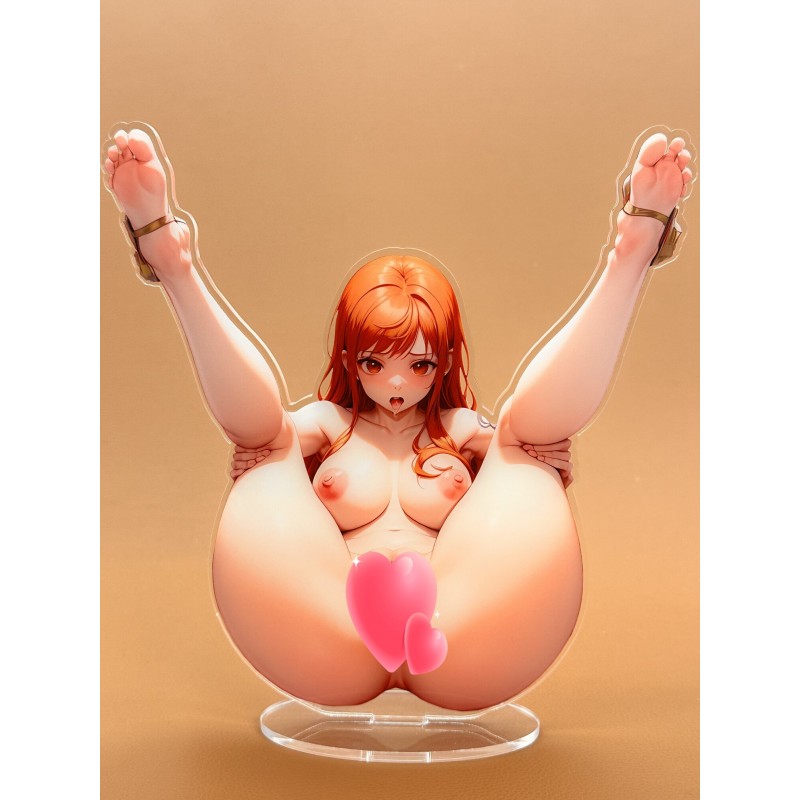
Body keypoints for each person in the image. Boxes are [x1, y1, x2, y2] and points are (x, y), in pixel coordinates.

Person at [103, 127, 692, 710]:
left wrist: (541, 461)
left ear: (446, 363)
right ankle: (173, 263)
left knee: (524, 436)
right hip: (323, 633)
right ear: (347, 359)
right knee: (267, 441)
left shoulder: (461, 431)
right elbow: (262, 431)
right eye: (373, 362)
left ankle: (631, 255)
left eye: (419, 365)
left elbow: (531, 443)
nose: (395, 384)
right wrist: (268, 456)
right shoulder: (328, 426)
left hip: (463, 635)